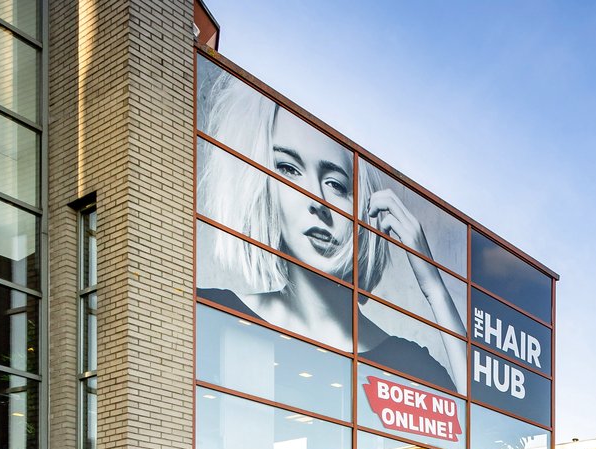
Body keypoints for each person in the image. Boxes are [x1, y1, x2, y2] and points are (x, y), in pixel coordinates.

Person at [197, 69, 461, 390]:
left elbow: (480, 424)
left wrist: (433, 286)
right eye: (289, 170)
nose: (316, 201)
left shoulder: (411, 367)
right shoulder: (211, 316)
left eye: (335, 184)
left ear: (363, 208)